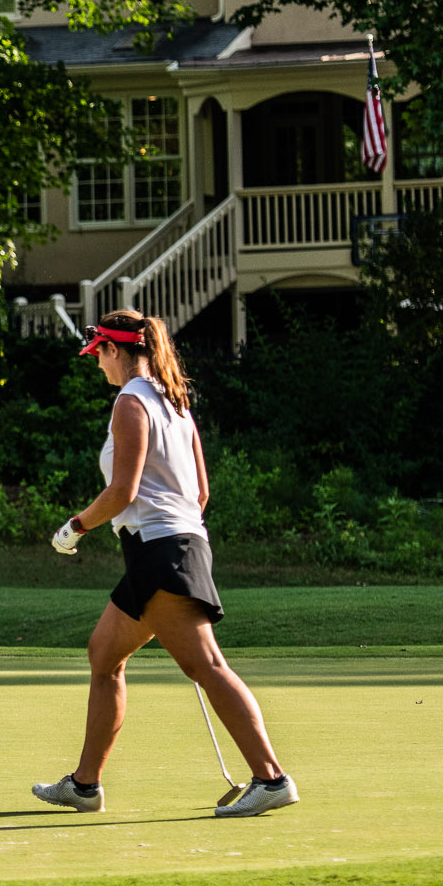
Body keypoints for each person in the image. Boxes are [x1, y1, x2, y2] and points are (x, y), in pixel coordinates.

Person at [33, 309, 299, 819]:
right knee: (103, 655)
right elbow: (201, 493)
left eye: (98, 355)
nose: (97, 365)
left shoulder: (131, 401)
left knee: (207, 666)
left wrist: (75, 527)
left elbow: (122, 491)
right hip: (167, 547)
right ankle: (85, 786)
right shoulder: (175, 403)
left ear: (114, 349)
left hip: (161, 553)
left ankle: (271, 778)